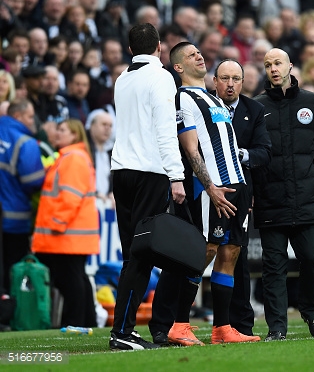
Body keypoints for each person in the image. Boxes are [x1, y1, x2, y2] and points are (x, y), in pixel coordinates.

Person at [149, 44, 260, 346]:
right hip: (213, 188)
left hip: (237, 186)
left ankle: (221, 327)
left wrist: (245, 190)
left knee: (230, 253)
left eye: (199, 52)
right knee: (204, 251)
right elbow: (190, 148)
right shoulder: (183, 98)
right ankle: (180, 324)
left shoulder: (215, 100)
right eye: (191, 55)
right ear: (179, 68)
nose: (199, 56)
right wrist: (210, 187)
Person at [252, 48, 314, 341]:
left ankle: (312, 315)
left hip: (307, 197)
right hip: (271, 200)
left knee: (311, 259)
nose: (273, 68)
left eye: (277, 63)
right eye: (268, 64)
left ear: (290, 66)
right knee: (273, 266)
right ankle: (277, 327)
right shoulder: (256, 108)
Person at [108, 23, 186, 351]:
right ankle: (121, 333)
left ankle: (124, 328)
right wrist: (176, 175)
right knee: (141, 257)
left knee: (133, 255)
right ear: (159, 46)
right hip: (149, 172)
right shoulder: (162, 77)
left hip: (120, 170)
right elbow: (165, 129)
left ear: (129, 50)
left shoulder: (122, 79)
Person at [212, 59, 272, 337]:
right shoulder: (204, 106)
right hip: (206, 190)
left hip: (239, 195)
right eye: (225, 78)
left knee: (237, 257)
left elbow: (264, 151)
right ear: (215, 81)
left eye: (236, 78)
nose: (230, 84)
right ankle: (172, 322)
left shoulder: (254, 109)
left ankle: (239, 325)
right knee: (201, 254)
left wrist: (238, 155)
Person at [31, 119, 99, 328]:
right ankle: (86, 321)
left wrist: (57, 222)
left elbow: (71, 196)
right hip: (72, 233)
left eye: (63, 130)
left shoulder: (72, 158)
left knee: (70, 280)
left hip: (67, 232)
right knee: (76, 278)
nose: (58, 133)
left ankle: (75, 322)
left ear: (74, 135)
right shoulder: (72, 157)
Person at [0, 98, 45, 293]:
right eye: (29, 116)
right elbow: (33, 181)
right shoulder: (25, 143)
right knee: (11, 270)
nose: (32, 120)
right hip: (13, 219)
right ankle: (8, 313)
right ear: (17, 116)